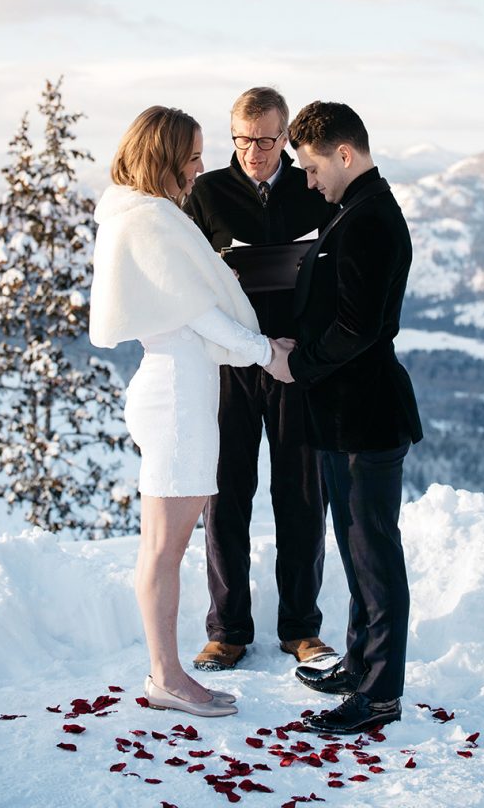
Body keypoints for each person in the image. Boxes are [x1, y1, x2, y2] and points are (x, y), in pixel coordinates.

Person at [89, 105, 285, 718]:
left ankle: (165, 673)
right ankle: (168, 677)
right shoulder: (151, 221)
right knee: (165, 548)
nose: (201, 168)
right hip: (177, 396)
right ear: (165, 157)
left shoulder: (140, 216)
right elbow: (197, 310)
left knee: (162, 545)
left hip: (174, 387)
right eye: (193, 156)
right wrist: (266, 352)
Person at [266, 100, 423, 734]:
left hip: (366, 416)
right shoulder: (354, 210)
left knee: (374, 558)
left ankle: (380, 695)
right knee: (358, 555)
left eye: (311, 168)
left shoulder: (369, 220)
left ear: (345, 154)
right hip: (342, 416)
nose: (308, 181)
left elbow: (359, 327)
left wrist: (297, 365)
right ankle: (359, 666)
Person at [186, 87, 337, 671]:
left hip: (296, 365)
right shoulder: (207, 193)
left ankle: (301, 628)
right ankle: (227, 630)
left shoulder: (310, 188)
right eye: (243, 140)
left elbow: (336, 268)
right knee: (225, 497)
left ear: (285, 137)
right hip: (229, 366)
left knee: (301, 495)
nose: (253, 152)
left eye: (267, 140)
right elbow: (187, 279)